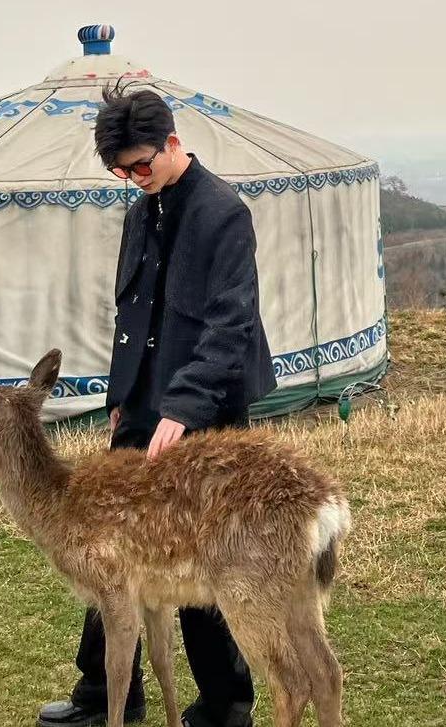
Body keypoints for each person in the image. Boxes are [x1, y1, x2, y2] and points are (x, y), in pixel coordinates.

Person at [38, 83, 276, 727]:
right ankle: (106, 693)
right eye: (119, 172)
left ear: (173, 143)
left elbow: (231, 327)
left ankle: (226, 706)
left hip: (205, 412)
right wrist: (123, 400)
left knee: (196, 559)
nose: (132, 179)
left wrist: (182, 411)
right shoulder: (141, 210)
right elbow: (132, 310)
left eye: (140, 165)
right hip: (143, 405)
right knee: (107, 547)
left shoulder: (224, 213)